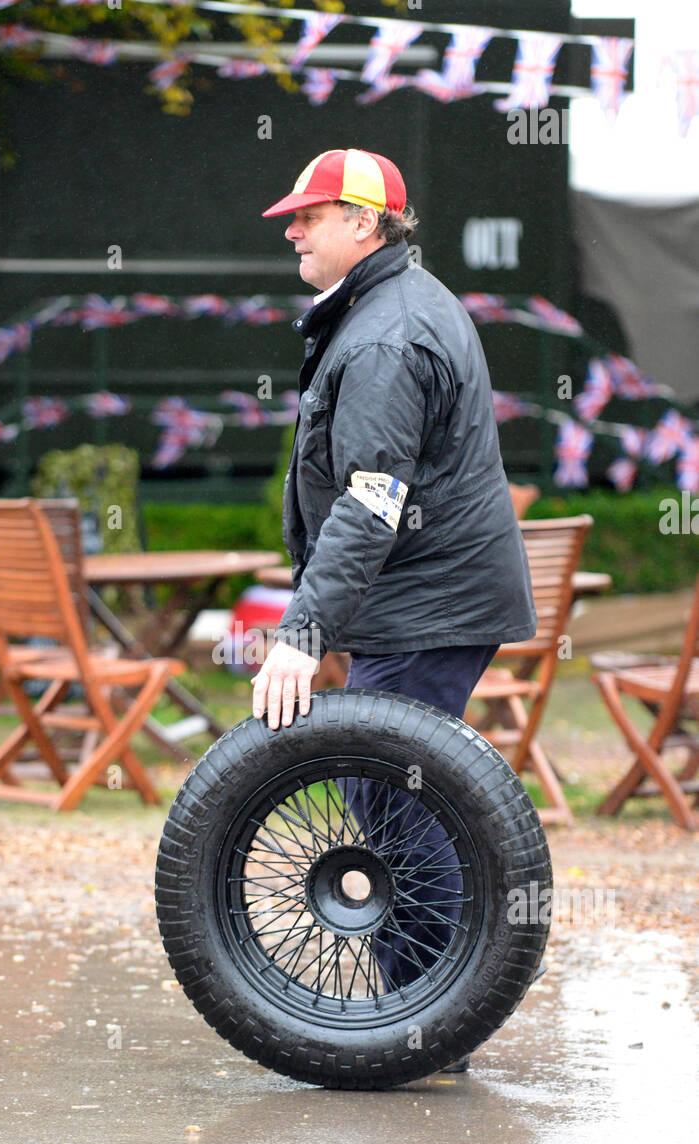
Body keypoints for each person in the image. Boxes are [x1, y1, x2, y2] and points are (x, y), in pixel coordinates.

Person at [250, 149, 537, 1070]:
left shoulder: (383, 335)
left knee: (402, 818)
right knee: (399, 809)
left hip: (427, 605)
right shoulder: (391, 304)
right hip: (423, 600)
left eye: (309, 215)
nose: (292, 229)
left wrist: (301, 633)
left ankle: (424, 1027)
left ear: (364, 225)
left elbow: (372, 498)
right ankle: (422, 1021)